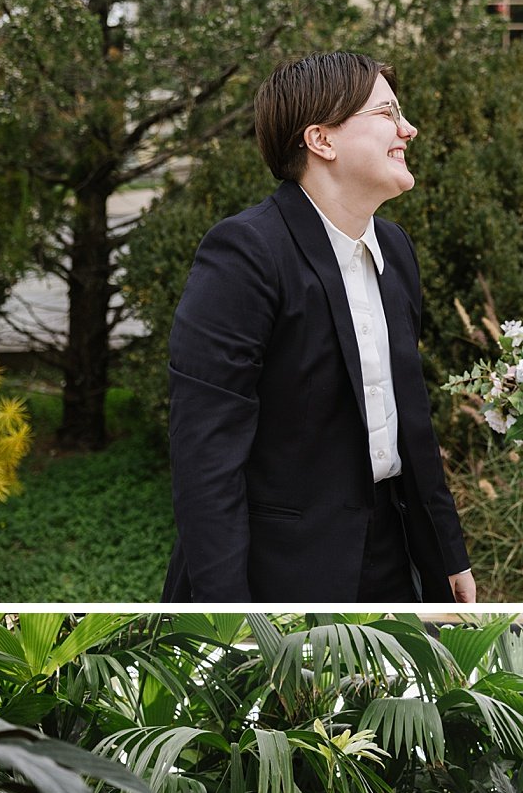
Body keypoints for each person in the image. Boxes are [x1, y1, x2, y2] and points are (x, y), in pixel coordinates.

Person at [163, 50, 475, 604]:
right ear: (321, 141)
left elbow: (411, 417)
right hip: (276, 568)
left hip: (388, 556)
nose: (409, 129)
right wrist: (228, 615)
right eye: (386, 114)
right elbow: (206, 461)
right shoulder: (245, 254)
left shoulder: (396, 249)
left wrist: (446, 553)